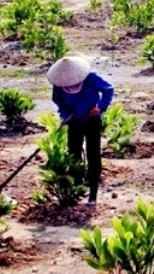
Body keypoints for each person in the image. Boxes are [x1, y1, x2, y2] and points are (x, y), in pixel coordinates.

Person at [47, 56, 114, 206]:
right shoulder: (59, 85)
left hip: (92, 121)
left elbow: (108, 90)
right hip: (74, 122)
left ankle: (93, 194)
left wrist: (100, 107)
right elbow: (59, 102)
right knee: (74, 154)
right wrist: (65, 115)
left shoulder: (90, 78)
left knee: (93, 155)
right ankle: (76, 188)